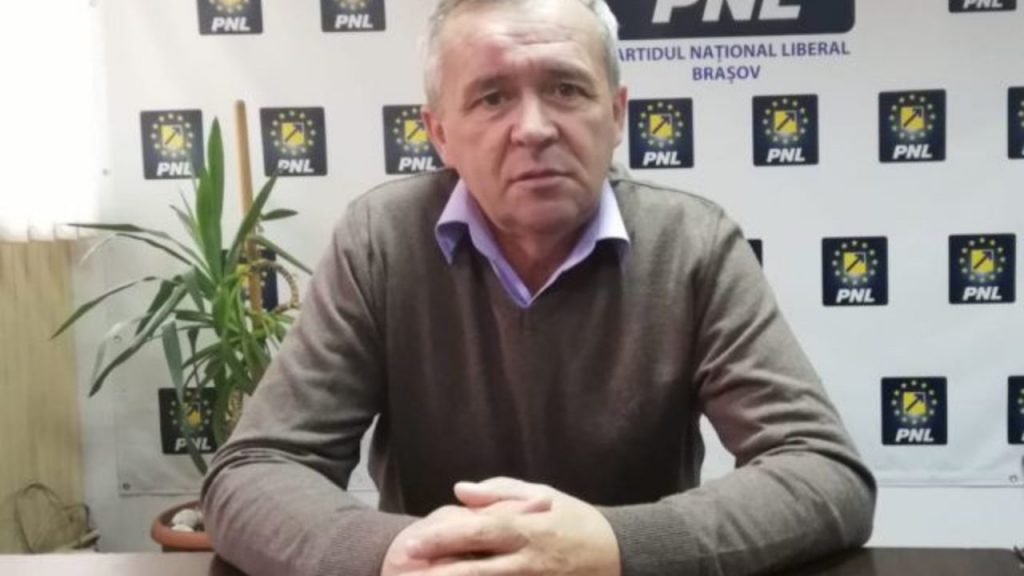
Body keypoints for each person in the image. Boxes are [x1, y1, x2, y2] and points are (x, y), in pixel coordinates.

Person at [201, 0, 876, 574]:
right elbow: (253, 472)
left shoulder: (693, 244)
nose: (533, 128)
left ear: (617, 114)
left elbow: (822, 471)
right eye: (492, 97)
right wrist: (389, 553)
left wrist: (618, 545)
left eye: (566, 89)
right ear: (440, 133)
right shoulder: (380, 240)